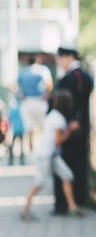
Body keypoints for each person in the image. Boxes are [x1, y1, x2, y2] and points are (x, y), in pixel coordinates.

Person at [21, 91, 81, 220]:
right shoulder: (58, 119)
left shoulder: (53, 115)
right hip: (45, 155)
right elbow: (58, 141)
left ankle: (72, 207)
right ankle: (25, 209)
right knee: (40, 181)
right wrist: (70, 130)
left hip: (52, 154)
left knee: (67, 175)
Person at [54, 47, 93, 212]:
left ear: (69, 57)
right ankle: (78, 198)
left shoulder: (70, 78)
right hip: (82, 129)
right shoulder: (86, 77)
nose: (58, 61)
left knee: (65, 166)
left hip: (68, 130)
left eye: (60, 57)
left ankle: (64, 203)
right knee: (79, 165)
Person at [17, 57, 52, 151]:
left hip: (27, 102)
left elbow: (17, 87)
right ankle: (43, 149)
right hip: (39, 101)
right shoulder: (42, 70)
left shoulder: (23, 72)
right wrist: (46, 94)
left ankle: (32, 150)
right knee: (43, 127)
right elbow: (49, 84)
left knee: (29, 129)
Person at [7, 96, 24, 164]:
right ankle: (22, 160)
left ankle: (11, 160)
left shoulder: (12, 110)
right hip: (21, 129)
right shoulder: (21, 109)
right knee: (21, 146)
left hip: (14, 129)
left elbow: (9, 119)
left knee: (12, 145)